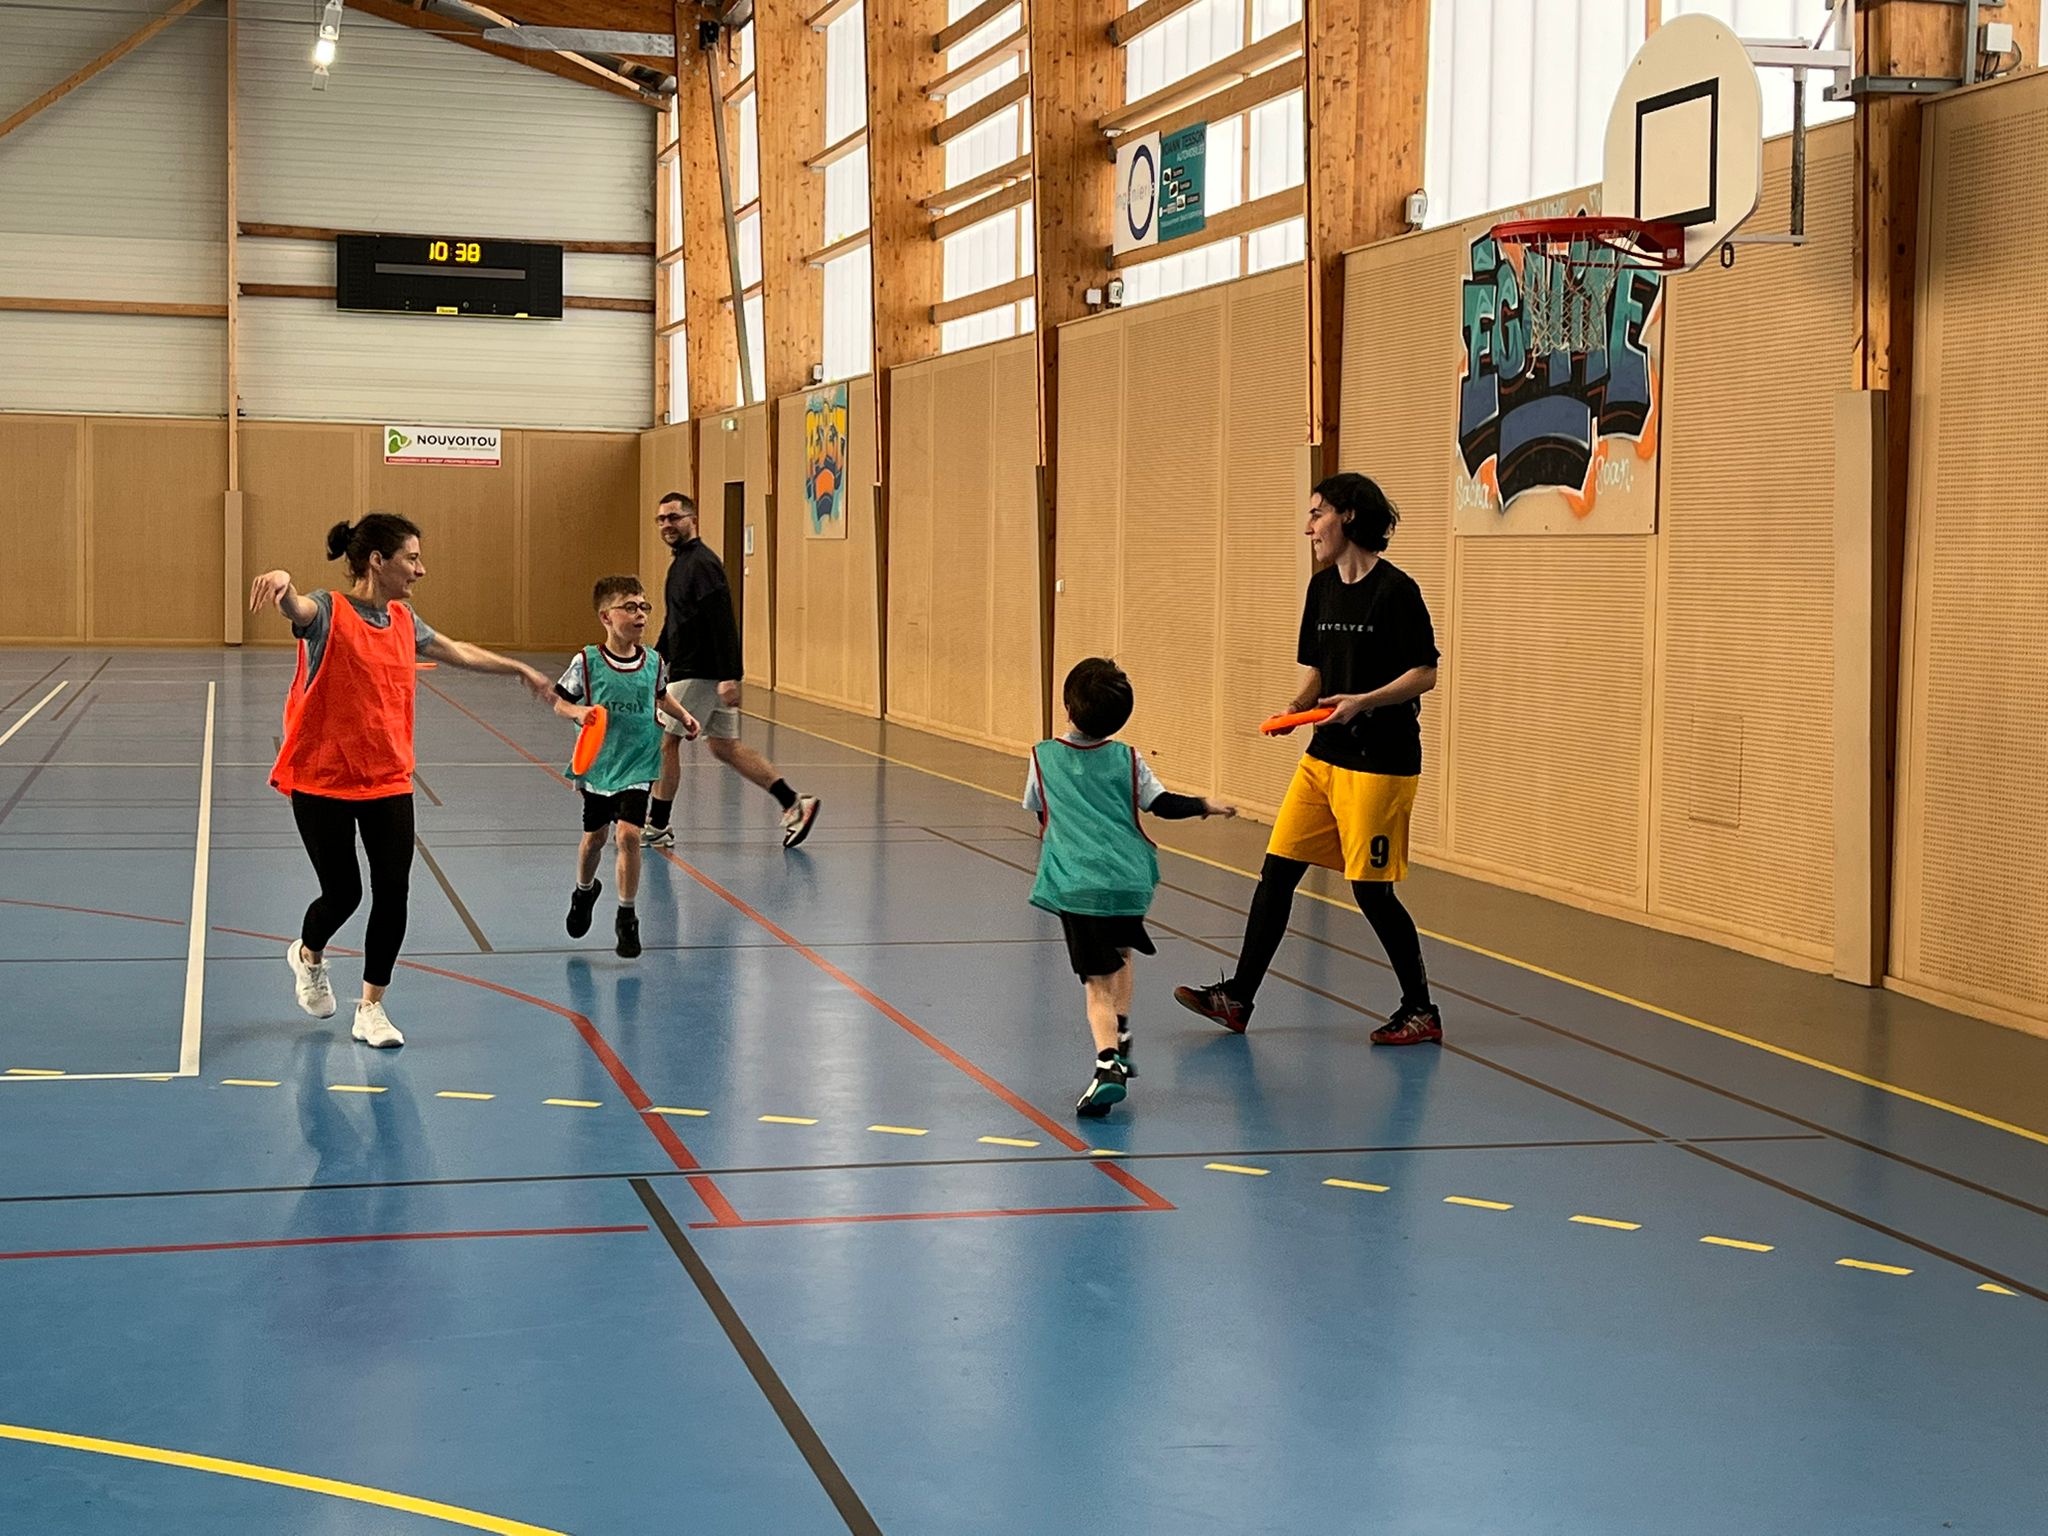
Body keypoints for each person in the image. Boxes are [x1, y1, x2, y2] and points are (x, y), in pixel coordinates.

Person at [252, 514, 555, 1049]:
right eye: (411, 558)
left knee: (393, 891)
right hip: (322, 778)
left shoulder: (404, 620)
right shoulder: (329, 610)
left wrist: (518, 668)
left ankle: (371, 1007)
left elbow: (457, 650)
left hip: (387, 778)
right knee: (343, 893)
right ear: (378, 560)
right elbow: (297, 609)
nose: (421, 569)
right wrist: (284, 585)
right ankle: (308, 954)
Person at [1174, 473, 1445, 1045]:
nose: (1308, 527)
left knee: (1371, 892)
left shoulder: (1396, 591)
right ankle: (1238, 998)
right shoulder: (1322, 589)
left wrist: (1363, 702)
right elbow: (1319, 670)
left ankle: (1421, 1010)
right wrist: (1297, 708)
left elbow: (1425, 673)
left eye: (1317, 513)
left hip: (1381, 762)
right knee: (1277, 872)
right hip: (1324, 754)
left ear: (1349, 516)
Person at [1027, 657, 1236, 1117]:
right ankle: (1121, 1033)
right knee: (1121, 953)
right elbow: (1161, 804)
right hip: (1128, 883)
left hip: (1079, 886)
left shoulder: (1043, 757)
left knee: (1096, 987)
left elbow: (1038, 809)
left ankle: (1107, 1066)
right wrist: (1204, 804)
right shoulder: (1129, 758)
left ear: (1068, 707)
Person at [641, 491, 820, 851]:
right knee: (724, 746)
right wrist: (655, 660)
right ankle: (794, 803)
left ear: (692, 520)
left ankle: (658, 825)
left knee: (665, 740)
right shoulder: (681, 564)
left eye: (674, 517)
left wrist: (729, 675)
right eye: (661, 519)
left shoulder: (703, 564)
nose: (667, 525)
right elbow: (677, 621)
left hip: (701, 672)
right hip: (693, 669)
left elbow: (723, 622)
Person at [551, 575, 700, 959]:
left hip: (638, 762)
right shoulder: (586, 662)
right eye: (630, 608)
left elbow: (661, 696)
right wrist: (578, 712)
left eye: (643, 607)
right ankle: (584, 891)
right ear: (606, 616)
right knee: (594, 839)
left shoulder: (654, 662)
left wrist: (684, 716)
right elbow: (559, 701)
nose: (640, 615)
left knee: (629, 836)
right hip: (600, 766)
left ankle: (627, 915)